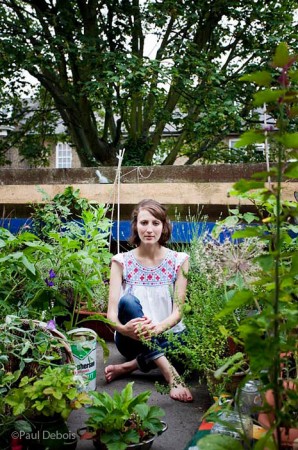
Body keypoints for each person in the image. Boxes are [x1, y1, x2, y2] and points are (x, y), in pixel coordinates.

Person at [104, 199, 193, 402]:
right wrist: (123, 329)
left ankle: (129, 367)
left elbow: (178, 313)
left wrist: (157, 329)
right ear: (136, 226)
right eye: (144, 223)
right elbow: (111, 315)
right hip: (130, 340)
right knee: (127, 302)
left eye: (155, 223)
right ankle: (171, 375)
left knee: (189, 341)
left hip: (165, 334)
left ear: (164, 226)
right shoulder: (121, 261)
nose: (150, 229)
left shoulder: (179, 260)